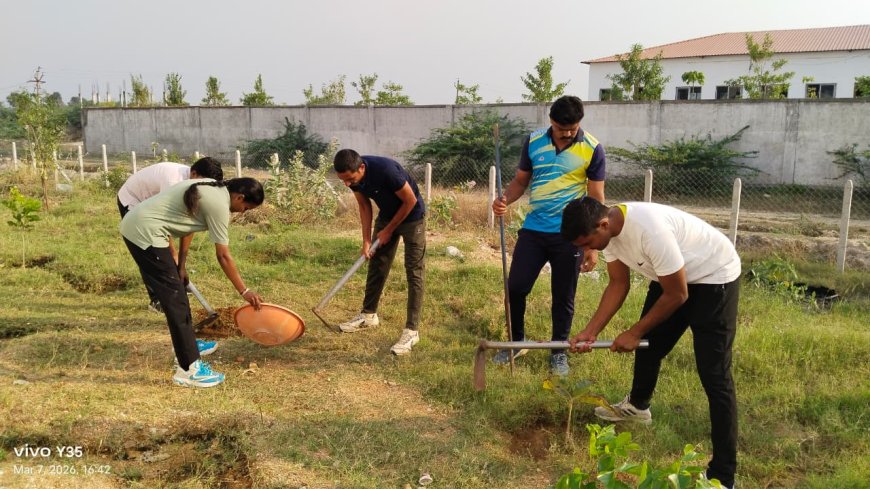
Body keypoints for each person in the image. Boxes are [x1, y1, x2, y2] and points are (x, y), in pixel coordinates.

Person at [562, 197, 740, 489]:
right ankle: (638, 407)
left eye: (588, 243)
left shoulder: (649, 230)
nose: (587, 251)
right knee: (650, 346)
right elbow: (618, 283)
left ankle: (723, 475)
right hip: (672, 276)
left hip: (713, 277)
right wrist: (590, 331)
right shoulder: (608, 234)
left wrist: (634, 331)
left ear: (603, 225)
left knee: (715, 376)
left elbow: (678, 295)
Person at [491, 95, 605, 376]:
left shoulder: (592, 148)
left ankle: (558, 352)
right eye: (560, 128)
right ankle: (516, 342)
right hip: (534, 229)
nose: (566, 133)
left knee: (563, 295)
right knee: (516, 286)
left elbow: (596, 196)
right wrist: (505, 199)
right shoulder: (533, 142)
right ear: (550, 121)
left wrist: (593, 246)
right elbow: (521, 181)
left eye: (572, 128)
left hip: (571, 235)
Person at [120, 177, 265, 388]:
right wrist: (245, 291)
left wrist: (181, 264)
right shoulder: (219, 205)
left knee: (177, 293)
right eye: (245, 207)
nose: (242, 212)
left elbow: (186, 225)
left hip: (140, 225)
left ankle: (187, 345)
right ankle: (189, 368)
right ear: (239, 197)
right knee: (175, 300)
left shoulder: (212, 186)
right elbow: (223, 256)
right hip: (145, 232)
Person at [333, 149, 426, 356]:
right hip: (387, 216)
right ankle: (369, 315)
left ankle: (411, 331)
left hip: (412, 218)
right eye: (343, 180)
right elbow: (364, 206)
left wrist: (389, 230)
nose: (347, 184)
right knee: (377, 264)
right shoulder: (353, 178)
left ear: (362, 168)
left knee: (414, 271)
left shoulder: (386, 170)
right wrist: (367, 240)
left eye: (349, 179)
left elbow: (410, 201)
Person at [117, 158, 224, 313]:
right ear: (194, 173)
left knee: (167, 258)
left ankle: (174, 287)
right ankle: (157, 299)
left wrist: (181, 264)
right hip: (133, 200)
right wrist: (173, 254)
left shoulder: (194, 184)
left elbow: (187, 223)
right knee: (150, 251)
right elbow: (163, 225)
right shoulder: (173, 182)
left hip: (152, 205)